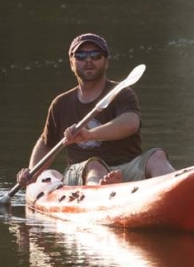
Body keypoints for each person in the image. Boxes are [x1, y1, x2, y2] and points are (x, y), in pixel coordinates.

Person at [17, 33, 175, 187]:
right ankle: (100, 190)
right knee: (94, 166)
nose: (88, 60)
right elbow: (46, 143)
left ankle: (173, 187)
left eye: (96, 55)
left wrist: (89, 135)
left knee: (157, 156)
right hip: (82, 171)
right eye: (80, 56)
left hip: (126, 168)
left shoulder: (122, 93)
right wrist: (32, 173)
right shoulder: (60, 104)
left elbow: (130, 123)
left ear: (106, 62)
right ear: (71, 63)